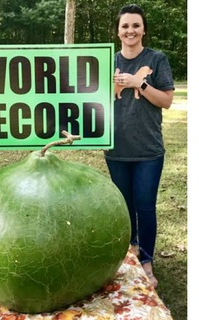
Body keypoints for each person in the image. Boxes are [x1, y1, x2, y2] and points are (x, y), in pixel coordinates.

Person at [104, 4, 174, 289]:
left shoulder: (156, 59)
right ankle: (129, 252)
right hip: (116, 150)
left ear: (143, 29)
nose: (130, 30)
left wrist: (138, 83)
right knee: (124, 207)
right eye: (125, 26)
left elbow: (167, 101)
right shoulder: (106, 61)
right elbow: (91, 103)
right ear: (118, 31)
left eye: (135, 25)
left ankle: (146, 261)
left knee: (145, 207)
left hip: (148, 150)